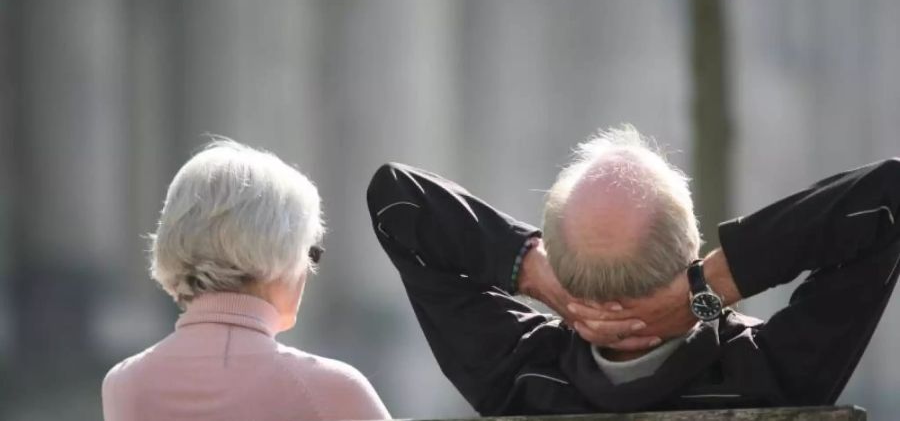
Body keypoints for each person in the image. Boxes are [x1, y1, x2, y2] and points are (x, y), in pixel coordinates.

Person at [366, 125, 900, 415]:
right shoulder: (771, 373)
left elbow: (398, 203)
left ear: (565, 270)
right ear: (691, 244)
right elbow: (889, 197)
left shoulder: (518, 375)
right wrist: (710, 288)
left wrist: (537, 278)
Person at [103, 140, 390, 421]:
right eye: (310, 252)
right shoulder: (331, 388)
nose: (308, 270)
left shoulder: (125, 382)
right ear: (282, 250)